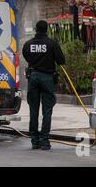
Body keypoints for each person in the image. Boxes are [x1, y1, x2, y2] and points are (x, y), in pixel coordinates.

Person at [22, 20, 65, 150]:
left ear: (36, 29)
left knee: (33, 109)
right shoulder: (52, 43)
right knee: (47, 110)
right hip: (47, 78)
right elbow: (61, 60)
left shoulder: (28, 44)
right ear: (47, 29)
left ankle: (34, 140)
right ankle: (44, 141)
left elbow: (26, 56)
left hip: (33, 77)